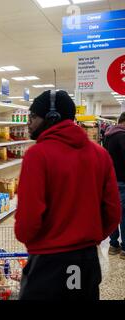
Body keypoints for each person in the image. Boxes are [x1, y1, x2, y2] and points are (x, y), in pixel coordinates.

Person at [14, 90, 121, 301]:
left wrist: (33, 240)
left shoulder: (38, 155)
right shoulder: (100, 154)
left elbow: (28, 219)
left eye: (33, 116)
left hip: (48, 263)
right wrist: (91, 238)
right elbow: (113, 211)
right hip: (86, 261)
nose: (28, 123)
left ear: (52, 118)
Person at [103, 112, 125, 259]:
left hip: (110, 180)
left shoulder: (108, 135)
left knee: (113, 212)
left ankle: (113, 244)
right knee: (124, 215)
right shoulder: (122, 136)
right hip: (123, 180)